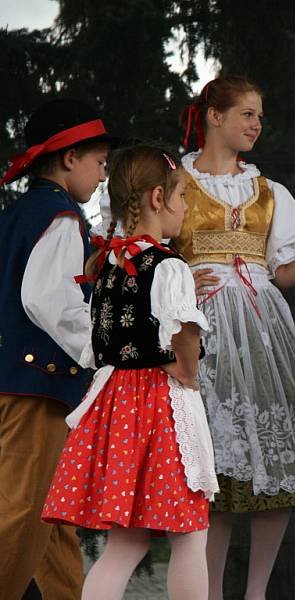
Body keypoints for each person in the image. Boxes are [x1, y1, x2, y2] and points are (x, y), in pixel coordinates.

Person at [177, 75, 295, 599]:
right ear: (214, 115)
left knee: (273, 470)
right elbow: (143, 247)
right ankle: (207, 592)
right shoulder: (176, 183)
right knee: (215, 475)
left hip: (262, 332)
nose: (257, 124)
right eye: (247, 114)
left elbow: (284, 271)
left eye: (259, 115)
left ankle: (256, 593)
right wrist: (178, 276)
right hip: (200, 330)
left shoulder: (268, 191)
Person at [41, 145, 218, 599]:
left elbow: (98, 340)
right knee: (190, 534)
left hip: (117, 402)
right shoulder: (169, 264)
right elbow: (183, 335)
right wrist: (187, 372)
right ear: (158, 198)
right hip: (160, 402)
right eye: (182, 198)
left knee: (126, 542)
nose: (184, 209)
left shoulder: (107, 265)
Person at [0, 97, 112, 599]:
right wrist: (102, 351)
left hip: (17, 384)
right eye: (100, 163)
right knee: (21, 514)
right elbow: (49, 300)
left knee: (52, 517)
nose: (103, 175)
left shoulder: (17, 214)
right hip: (38, 390)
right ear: (70, 158)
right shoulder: (62, 216)